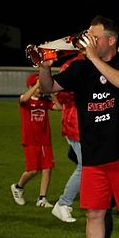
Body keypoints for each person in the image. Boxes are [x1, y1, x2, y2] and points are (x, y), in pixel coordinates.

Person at [37, 15, 119, 238]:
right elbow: (49, 88)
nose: (88, 41)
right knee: (94, 213)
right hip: (94, 155)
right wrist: (44, 67)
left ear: (110, 41)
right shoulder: (81, 67)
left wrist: (92, 58)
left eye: (94, 37)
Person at [11, 73, 61, 208]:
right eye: (37, 87)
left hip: (45, 140)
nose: (40, 90)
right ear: (31, 86)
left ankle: (42, 198)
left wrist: (51, 93)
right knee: (32, 170)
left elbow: (59, 107)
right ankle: (18, 187)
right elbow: (23, 99)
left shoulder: (44, 102)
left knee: (47, 168)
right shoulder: (26, 101)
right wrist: (38, 84)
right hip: (31, 141)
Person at [50, 55, 83, 223]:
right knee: (84, 167)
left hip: (85, 124)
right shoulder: (73, 65)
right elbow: (58, 92)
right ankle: (63, 204)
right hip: (76, 124)